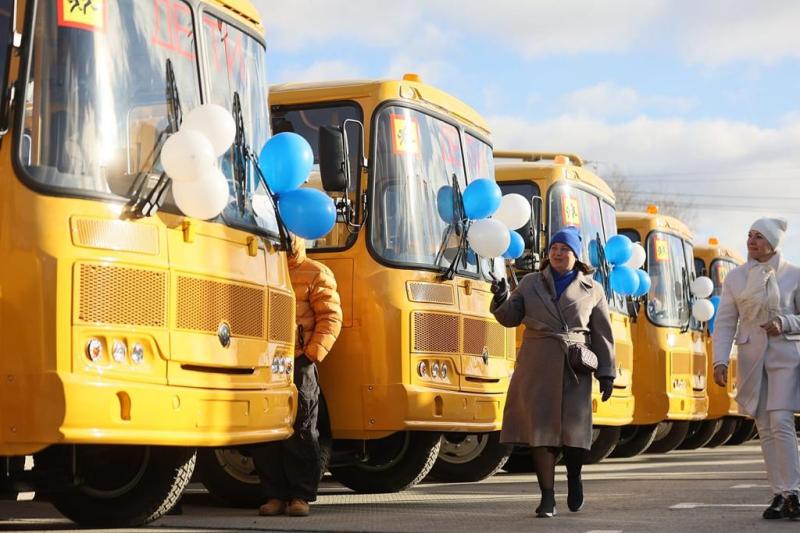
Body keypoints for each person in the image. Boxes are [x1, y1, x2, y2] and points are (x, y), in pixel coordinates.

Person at [490, 226, 615, 518]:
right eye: (554, 249)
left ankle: (574, 476)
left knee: (575, 435)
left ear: (576, 256)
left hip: (575, 368)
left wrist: (607, 373)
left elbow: (602, 334)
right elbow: (510, 318)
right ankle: (547, 497)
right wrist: (501, 298)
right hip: (537, 365)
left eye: (565, 249)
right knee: (541, 433)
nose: (558, 253)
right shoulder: (530, 282)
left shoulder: (593, 289)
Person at [712, 217, 800, 520]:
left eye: (760, 236)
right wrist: (720, 360)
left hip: (785, 358)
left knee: (781, 421)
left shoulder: (794, 275)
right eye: (750, 235)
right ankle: (779, 494)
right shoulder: (736, 277)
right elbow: (725, 321)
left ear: (773, 243)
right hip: (751, 358)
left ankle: (794, 493)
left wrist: (784, 322)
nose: (752, 241)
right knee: (764, 426)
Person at [252, 234, 343, 517]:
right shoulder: (261, 267)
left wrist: (311, 355)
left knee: (302, 430)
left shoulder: (316, 272)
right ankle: (274, 496)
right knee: (265, 431)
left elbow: (331, 318)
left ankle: (300, 496)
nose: (284, 239)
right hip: (265, 362)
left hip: (299, 361)